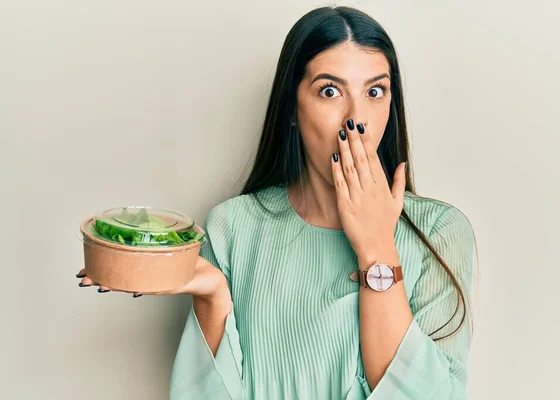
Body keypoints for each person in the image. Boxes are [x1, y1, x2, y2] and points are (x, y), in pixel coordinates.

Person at [76, 6, 478, 400]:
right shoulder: (234, 227)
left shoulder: (439, 233)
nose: (357, 117)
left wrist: (376, 247)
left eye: (375, 91)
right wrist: (214, 297)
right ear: (291, 108)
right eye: (330, 91)